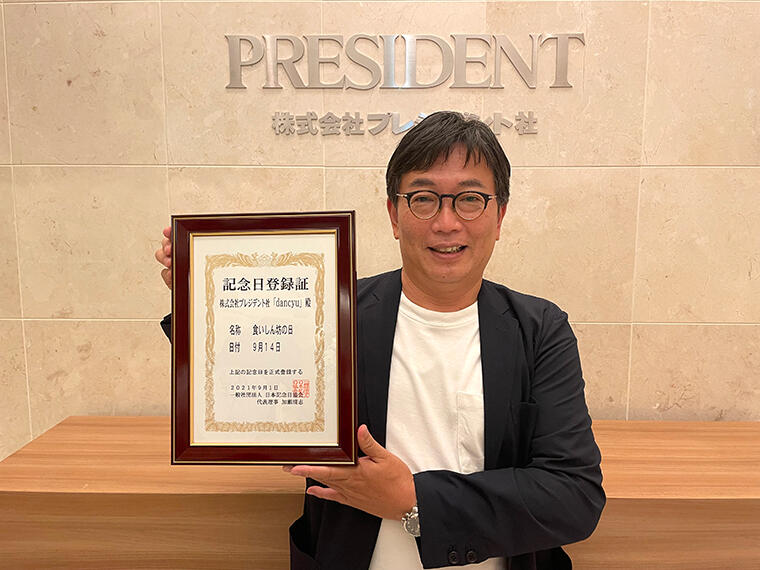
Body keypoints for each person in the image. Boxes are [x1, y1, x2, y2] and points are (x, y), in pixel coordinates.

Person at [155, 111, 605, 569]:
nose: (446, 222)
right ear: (394, 215)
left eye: (470, 199)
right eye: (423, 199)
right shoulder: (332, 315)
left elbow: (573, 496)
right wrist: (203, 302)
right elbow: (256, 396)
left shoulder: (539, 330)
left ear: (499, 216)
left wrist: (413, 499)